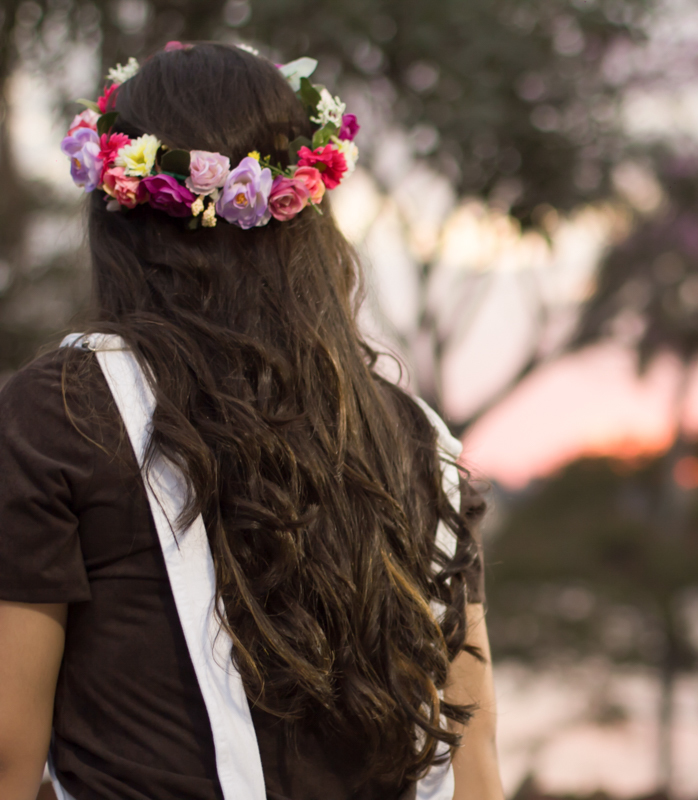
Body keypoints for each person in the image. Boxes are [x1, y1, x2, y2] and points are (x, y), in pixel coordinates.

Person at [0, 43, 503, 800]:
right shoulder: (417, 438)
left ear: (117, 213)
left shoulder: (66, 410)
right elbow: (476, 765)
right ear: (307, 214)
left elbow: (7, 755)